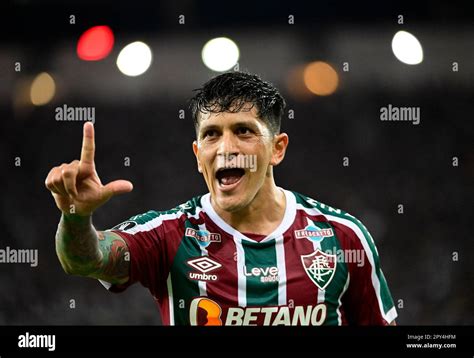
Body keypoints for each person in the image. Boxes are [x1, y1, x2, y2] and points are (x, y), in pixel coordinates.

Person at [45, 72, 397, 326]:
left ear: (277, 148)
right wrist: (75, 216)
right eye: (212, 135)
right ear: (199, 155)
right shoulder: (169, 235)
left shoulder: (342, 237)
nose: (226, 149)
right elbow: (85, 259)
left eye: (243, 131)